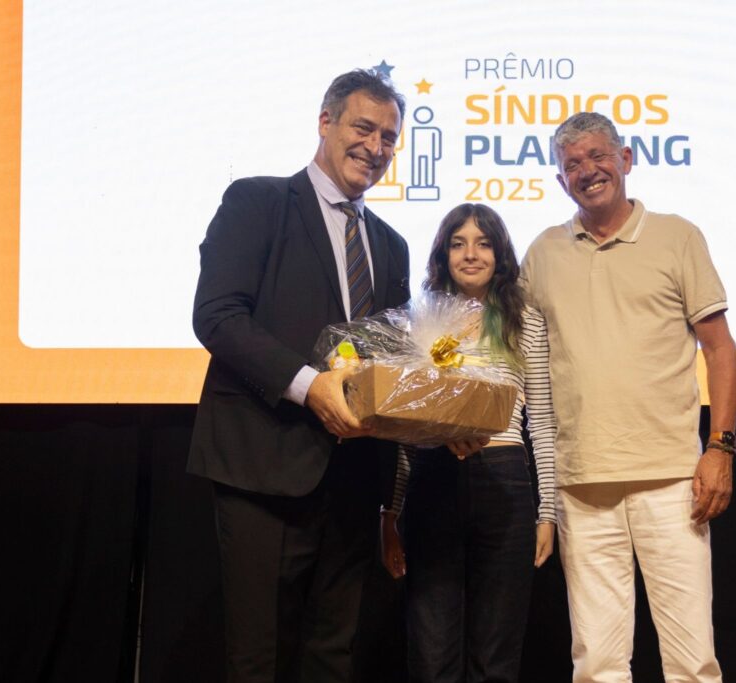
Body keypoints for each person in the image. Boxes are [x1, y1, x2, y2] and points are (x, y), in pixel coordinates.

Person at [187, 69, 410, 683]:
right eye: (363, 127)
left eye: (389, 137)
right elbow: (217, 316)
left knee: (333, 656)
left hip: (355, 478)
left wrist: (442, 420)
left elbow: (390, 362)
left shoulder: (391, 245)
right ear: (325, 122)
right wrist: (310, 386)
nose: (375, 146)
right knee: (258, 657)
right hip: (263, 466)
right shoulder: (256, 202)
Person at [521, 112, 736, 682]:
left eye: (598, 156)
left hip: (673, 481)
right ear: (560, 179)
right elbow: (521, 358)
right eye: (572, 164)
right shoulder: (542, 253)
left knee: (692, 662)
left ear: (626, 159)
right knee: (596, 665)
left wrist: (721, 448)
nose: (587, 171)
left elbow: (719, 349)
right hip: (581, 484)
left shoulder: (677, 236)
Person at [380, 203, 557, 683]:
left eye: (483, 243)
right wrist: (390, 512)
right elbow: (402, 429)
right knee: (431, 652)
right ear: (443, 255)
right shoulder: (421, 321)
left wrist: (548, 512)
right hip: (433, 482)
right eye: (458, 244)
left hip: (505, 483)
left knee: (496, 655)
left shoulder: (524, 319)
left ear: (500, 254)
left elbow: (542, 420)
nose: (471, 254)